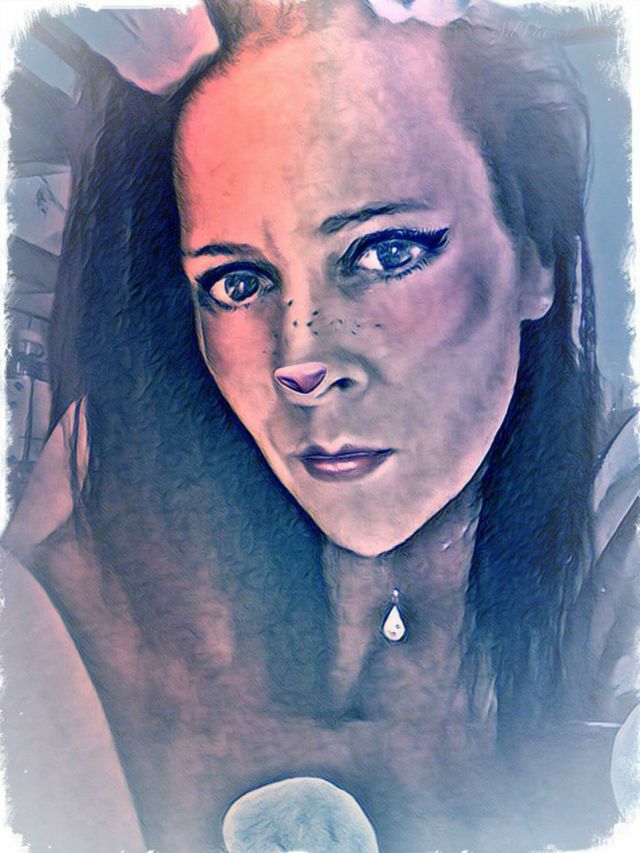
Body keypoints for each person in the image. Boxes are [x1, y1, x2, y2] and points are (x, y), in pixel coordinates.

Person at [2, 1, 639, 851]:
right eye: (236, 282)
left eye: (386, 252)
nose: (298, 360)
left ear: (536, 256)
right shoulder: (109, 485)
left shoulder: (616, 508)